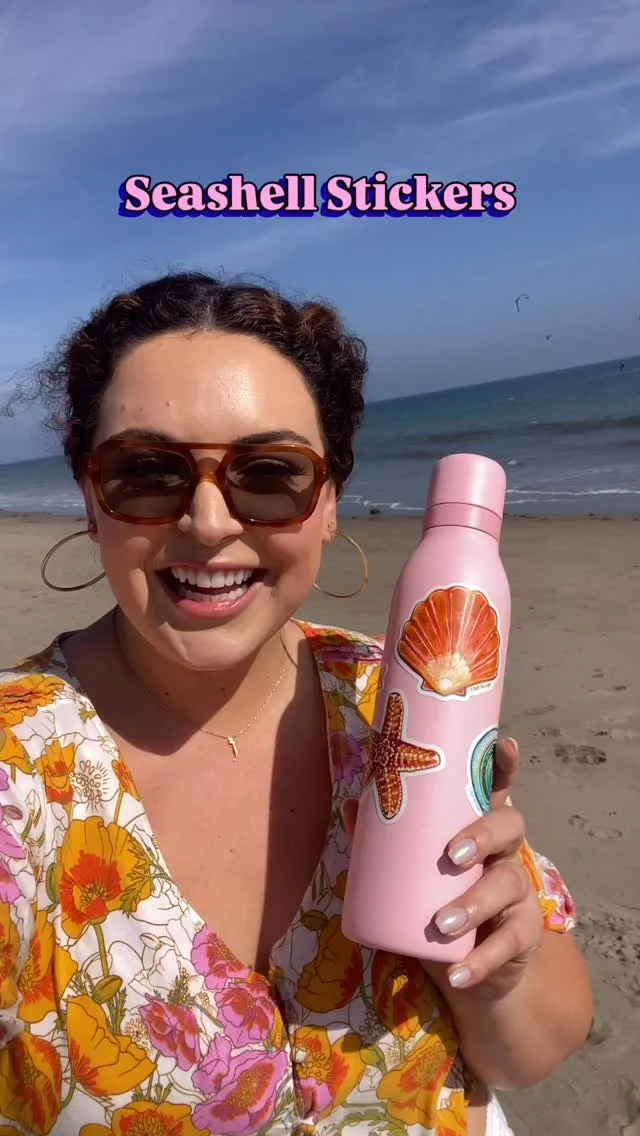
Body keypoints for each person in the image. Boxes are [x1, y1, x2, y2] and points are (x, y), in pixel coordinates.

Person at [0, 272, 592, 1136]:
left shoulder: (398, 696)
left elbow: (527, 1057)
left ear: (329, 503)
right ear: (93, 500)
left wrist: (498, 968)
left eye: (270, 473)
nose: (208, 522)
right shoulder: (17, 776)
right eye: (147, 472)